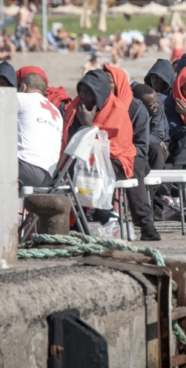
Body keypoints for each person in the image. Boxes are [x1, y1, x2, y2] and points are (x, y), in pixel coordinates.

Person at [62, 70, 160, 241]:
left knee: (135, 168)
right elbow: (73, 143)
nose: (83, 96)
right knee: (72, 170)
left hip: (123, 156)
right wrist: (87, 125)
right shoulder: (76, 109)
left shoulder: (122, 109)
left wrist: (89, 127)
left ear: (99, 91)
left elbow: (124, 145)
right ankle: (79, 221)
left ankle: (145, 224)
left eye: (88, 92)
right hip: (88, 159)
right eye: (81, 91)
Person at [17, 72, 62, 189]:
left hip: (24, 168)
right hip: (47, 178)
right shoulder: (56, 112)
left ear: (23, 87)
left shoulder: (21, 97)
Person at [132, 84, 169, 170]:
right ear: (138, 104)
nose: (156, 105)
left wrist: (140, 141)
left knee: (157, 150)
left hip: (141, 143)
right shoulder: (128, 109)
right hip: (128, 146)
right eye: (151, 104)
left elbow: (157, 135)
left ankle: (157, 182)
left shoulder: (156, 105)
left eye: (156, 101)